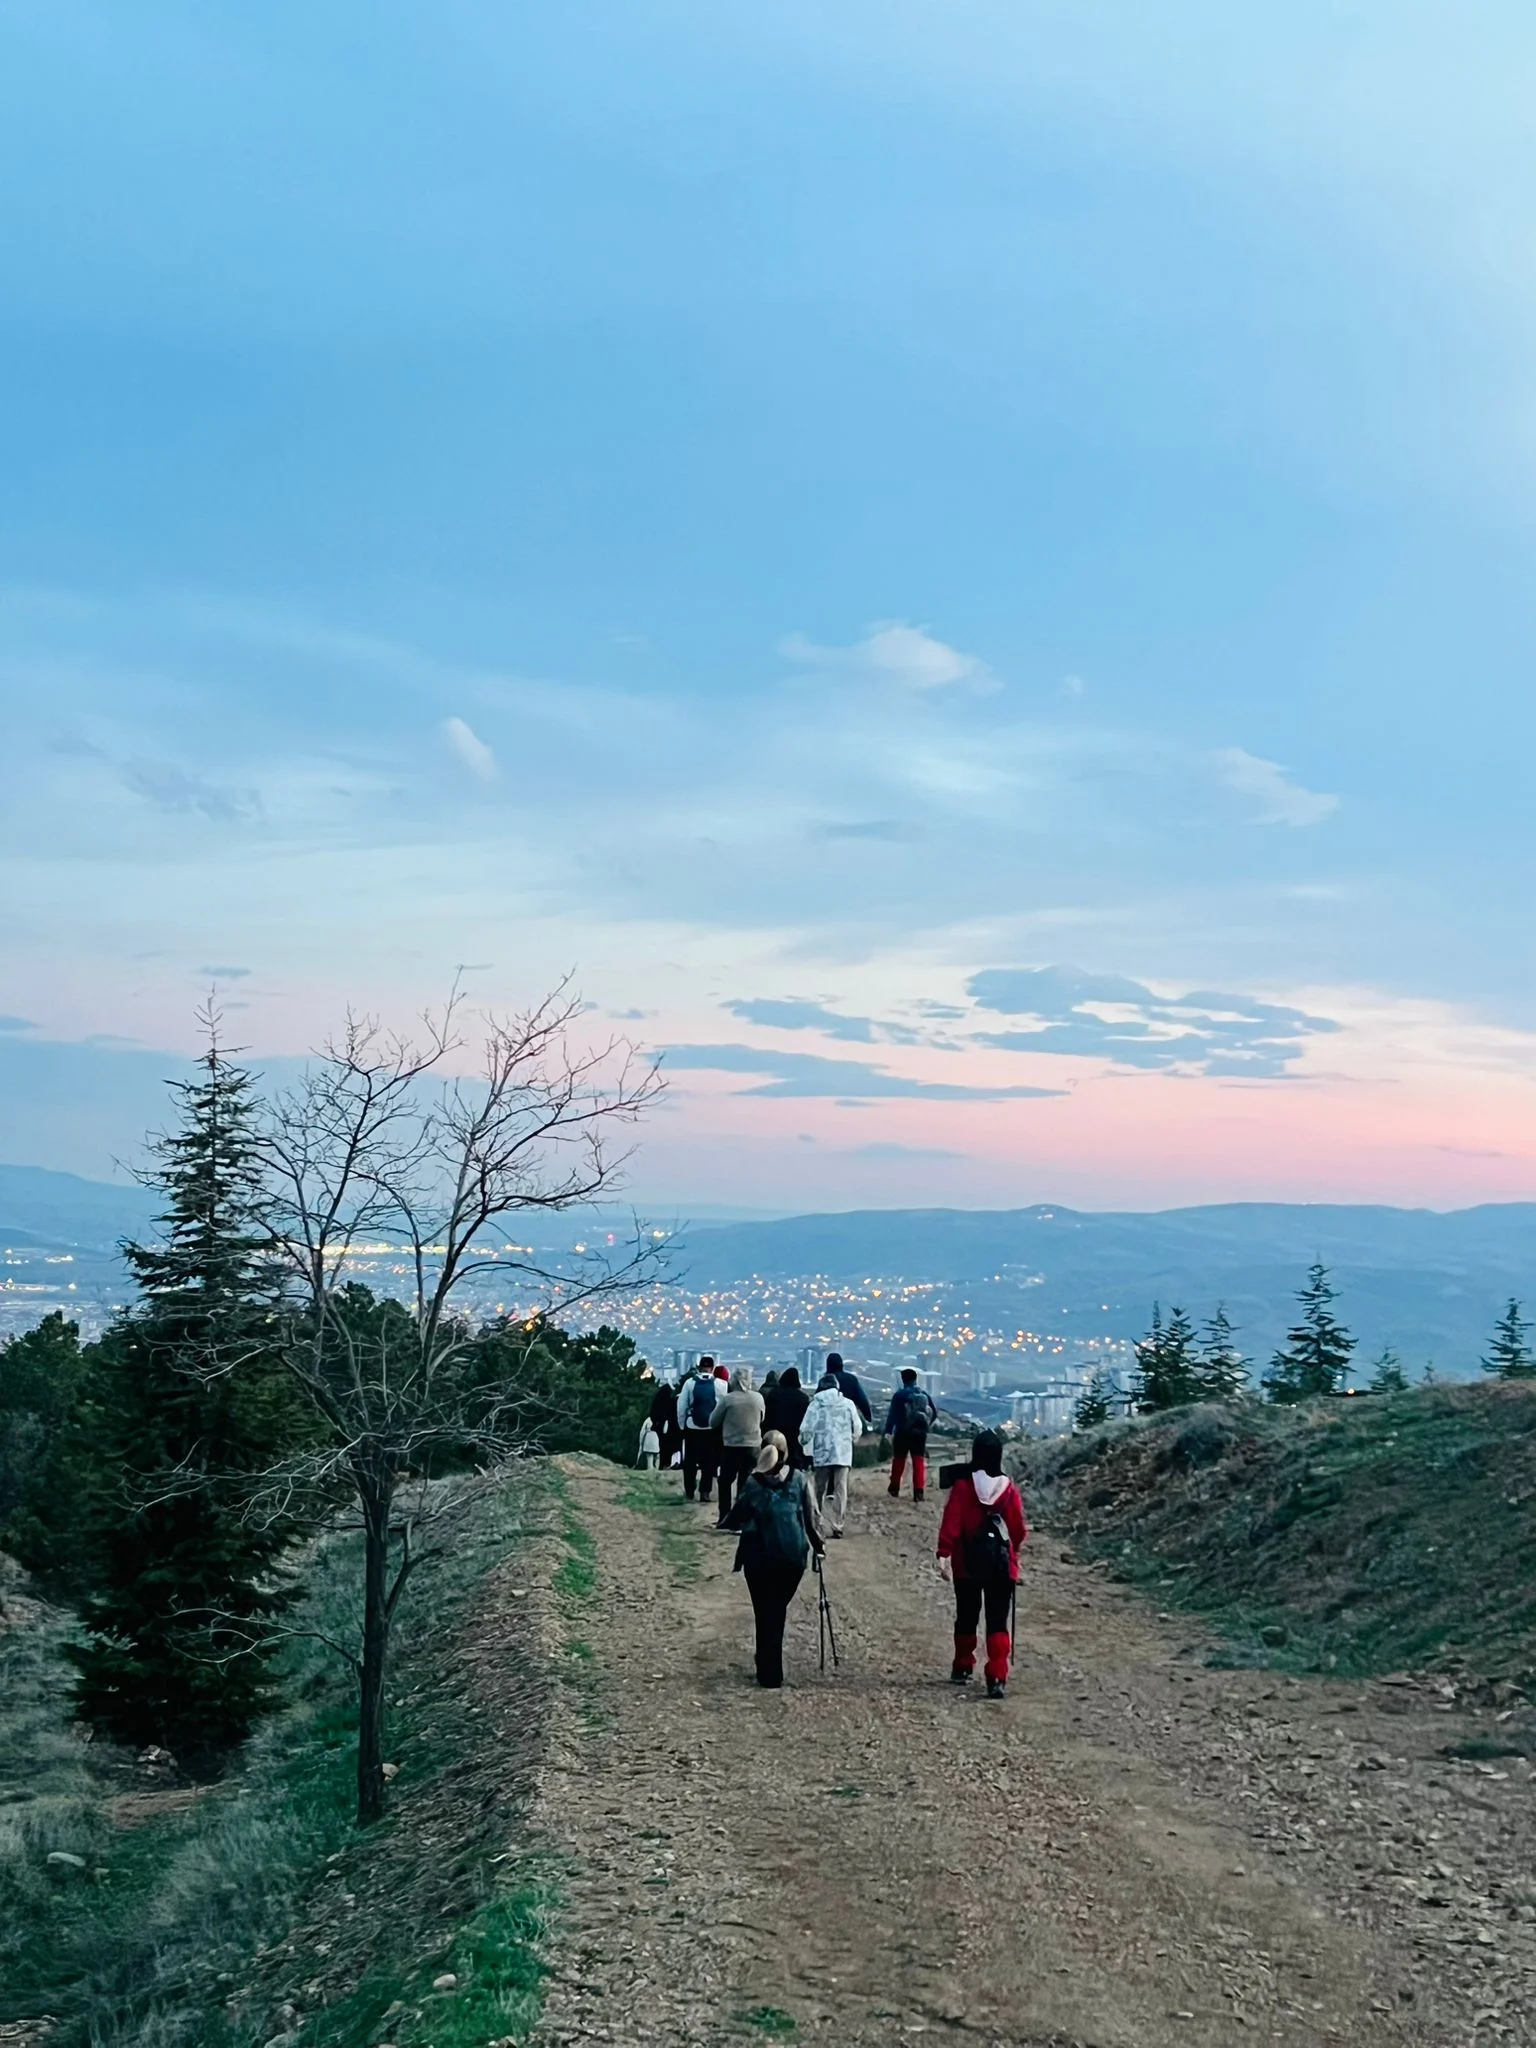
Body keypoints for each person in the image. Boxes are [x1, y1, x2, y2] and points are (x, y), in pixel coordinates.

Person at [721, 1430, 824, 1687]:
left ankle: (768, 1670)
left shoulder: (753, 1483)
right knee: (777, 1609)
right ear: (786, 1453)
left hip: (758, 1558)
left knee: (764, 1611)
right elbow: (812, 1519)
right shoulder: (799, 1480)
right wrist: (818, 1546)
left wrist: (726, 1522)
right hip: (792, 1558)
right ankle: (771, 1670)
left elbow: (736, 1516)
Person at [936, 1431, 1028, 1700]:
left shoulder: (964, 1486)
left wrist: (944, 1553)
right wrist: (1013, 1553)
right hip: (1001, 1565)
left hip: (967, 1564)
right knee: (997, 1620)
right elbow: (1018, 1529)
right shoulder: (1008, 1489)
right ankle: (997, 1676)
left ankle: (963, 1666)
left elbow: (951, 1522)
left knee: (967, 1615)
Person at [798, 1368, 864, 1538]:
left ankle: (817, 1521)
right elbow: (857, 1427)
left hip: (822, 1452)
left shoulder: (815, 1404)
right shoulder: (847, 1403)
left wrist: (804, 1443)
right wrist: (850, 1440)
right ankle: (837, 1525)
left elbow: (805, 1430)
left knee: (819, 1488)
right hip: (843, 1452)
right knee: (841, 1489)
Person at [710, 1365, 765, 1525]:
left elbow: (713, 1421)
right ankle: (742, 1518)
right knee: (745, 1483)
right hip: (753, 1445)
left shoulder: (728, 1399)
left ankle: (725, 1517)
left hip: (732, 1445)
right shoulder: (758, 1398)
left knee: (725, 1482)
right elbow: (761, 1418)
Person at [884, 1368, 938, 1502]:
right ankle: (919, 1492)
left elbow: (892, 1415)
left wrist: (888, 1431)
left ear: (903, 1380)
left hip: (902, 1432)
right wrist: (926, 1425)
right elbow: (934, 1413)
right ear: (915, 1379)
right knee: (918, 1461)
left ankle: (894, 1489)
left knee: (899, 1460)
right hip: (920, 1433)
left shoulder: (900, 1395)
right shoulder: (923, 1394)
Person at [678, 1357, 723, 1503]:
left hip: (692, 1426)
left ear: (699, 1367)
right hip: (711, 1427)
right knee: (709, 1462)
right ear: (712, 1367)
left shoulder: (689, 1384)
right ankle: (705, 1491)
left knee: (690, 1461)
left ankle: (690, 1490)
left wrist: (682, 1425)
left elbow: (682, 1406)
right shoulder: (721, 1385)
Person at [763, 1366, 811, 1468]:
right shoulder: (803, 1397)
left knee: (775, 1459)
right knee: (793, 1461)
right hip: (794, 1434)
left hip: (776, 1432)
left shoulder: (774, 1394)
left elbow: (768, 1415)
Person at [824, 1350, 873, 1427]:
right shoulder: (851, 1379)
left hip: (829, 1421)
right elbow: (862, 1400)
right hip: (848, 1418)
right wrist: (868, 1417)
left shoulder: (825, 1380)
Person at [648, 1377, 682, 1470]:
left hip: (661, 1426)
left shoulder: (659, 1398)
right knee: (670, 1447)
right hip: (668, 1427)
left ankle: (663, 1464)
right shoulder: (671, 1400)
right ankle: (670, 1464)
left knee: (663, 1448)